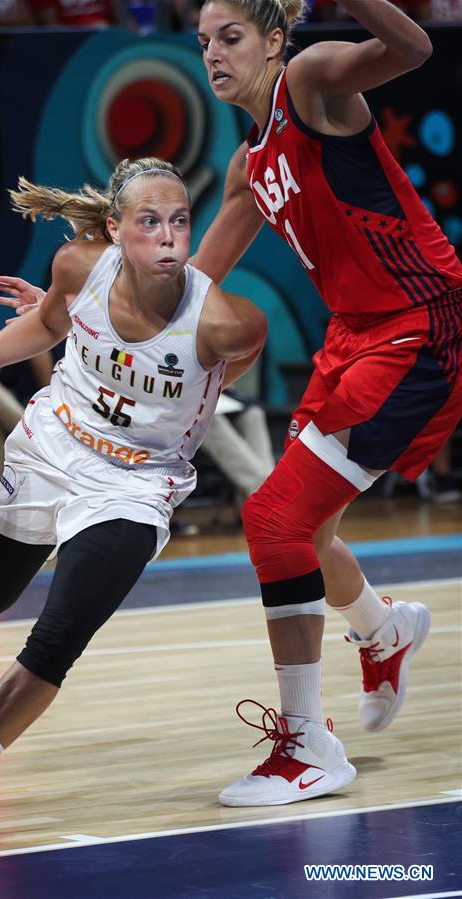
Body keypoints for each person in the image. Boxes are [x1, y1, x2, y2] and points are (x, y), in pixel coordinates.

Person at [0, 157, 267, 843]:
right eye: (148, 221)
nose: (167, 236)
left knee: (59, 634)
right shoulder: (77, 266)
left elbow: (243, 204)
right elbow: (47, 325)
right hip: (51, 447)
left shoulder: (229, 325)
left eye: (179, 220)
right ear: (115, 229)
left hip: (135, 484)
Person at [193, 0, 462, 806]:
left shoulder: (309, 82)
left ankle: (309, 746)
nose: (213, 54)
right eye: (203, 42)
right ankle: (383, 628)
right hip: (353, 333)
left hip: (418, 324)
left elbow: (411, 47)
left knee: (272, 519)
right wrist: (89, 314)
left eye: (230, 37)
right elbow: (194, 286)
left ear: (275, 40)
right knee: (303, 532)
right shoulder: (247, 165)